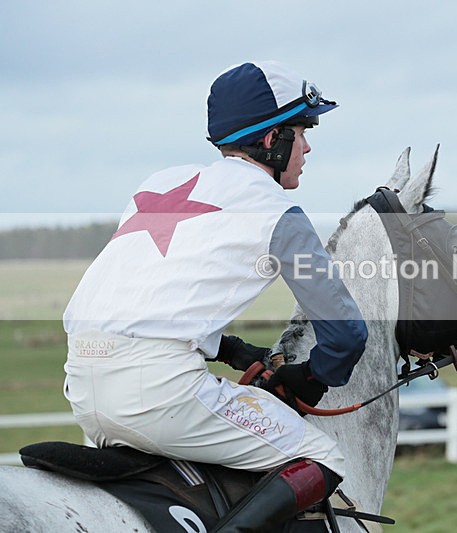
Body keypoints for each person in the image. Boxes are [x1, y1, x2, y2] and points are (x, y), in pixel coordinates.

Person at [63, 60, 368, 530]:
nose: (307, 147)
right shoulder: (278, 211)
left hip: (82, 385)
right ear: (273, 140)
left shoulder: (157, 184)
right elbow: (346, 334)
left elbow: (148, 303)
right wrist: (311, 377)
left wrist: (234, 350)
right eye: (303, 131)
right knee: (324, 457)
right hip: (159, 394)